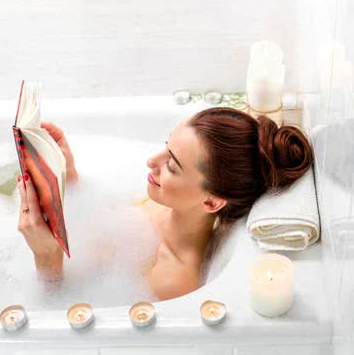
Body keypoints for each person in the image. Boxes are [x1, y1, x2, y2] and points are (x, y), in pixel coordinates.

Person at [17, 107, 313, 301]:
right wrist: (68, 176)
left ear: (211, 201)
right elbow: (99, 220)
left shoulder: (172, 280)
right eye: (166, 145)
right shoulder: (165, 202)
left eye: (172, 165)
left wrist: (46, 256)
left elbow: (61, 314)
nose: (152, 161)